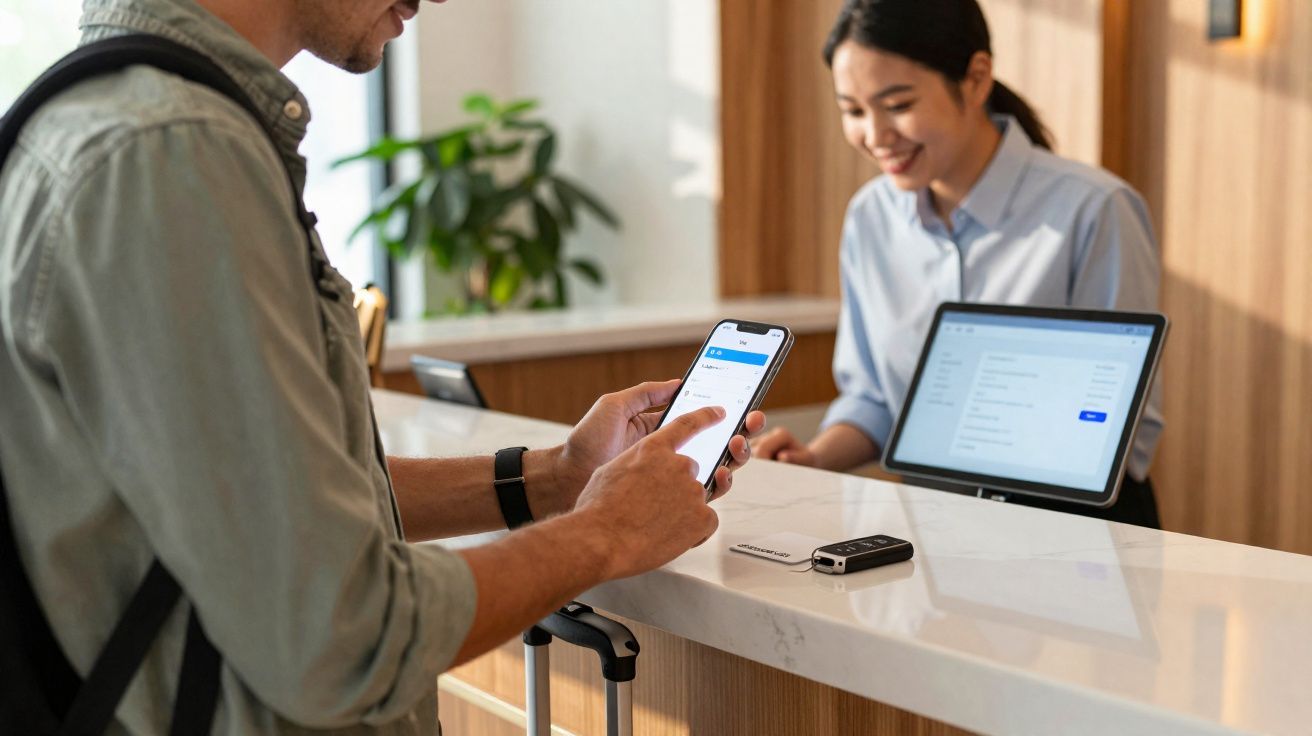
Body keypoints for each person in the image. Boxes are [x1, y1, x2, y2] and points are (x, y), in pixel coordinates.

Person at [0, 0, 761, 733]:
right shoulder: (171, 156)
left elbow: (276, 501)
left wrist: (559, 476)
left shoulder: (118, 119)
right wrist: (603, 533)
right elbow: (339, 631)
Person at [755, 0, 1164, 528]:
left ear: (975, 79)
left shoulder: (1093, 209)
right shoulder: (871, 218)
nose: (875, 136)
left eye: (897, 104)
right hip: (935, 522)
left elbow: (1121, 432)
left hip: (1081, 528)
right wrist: (812, 459)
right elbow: (876, 400)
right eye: (853, 111)